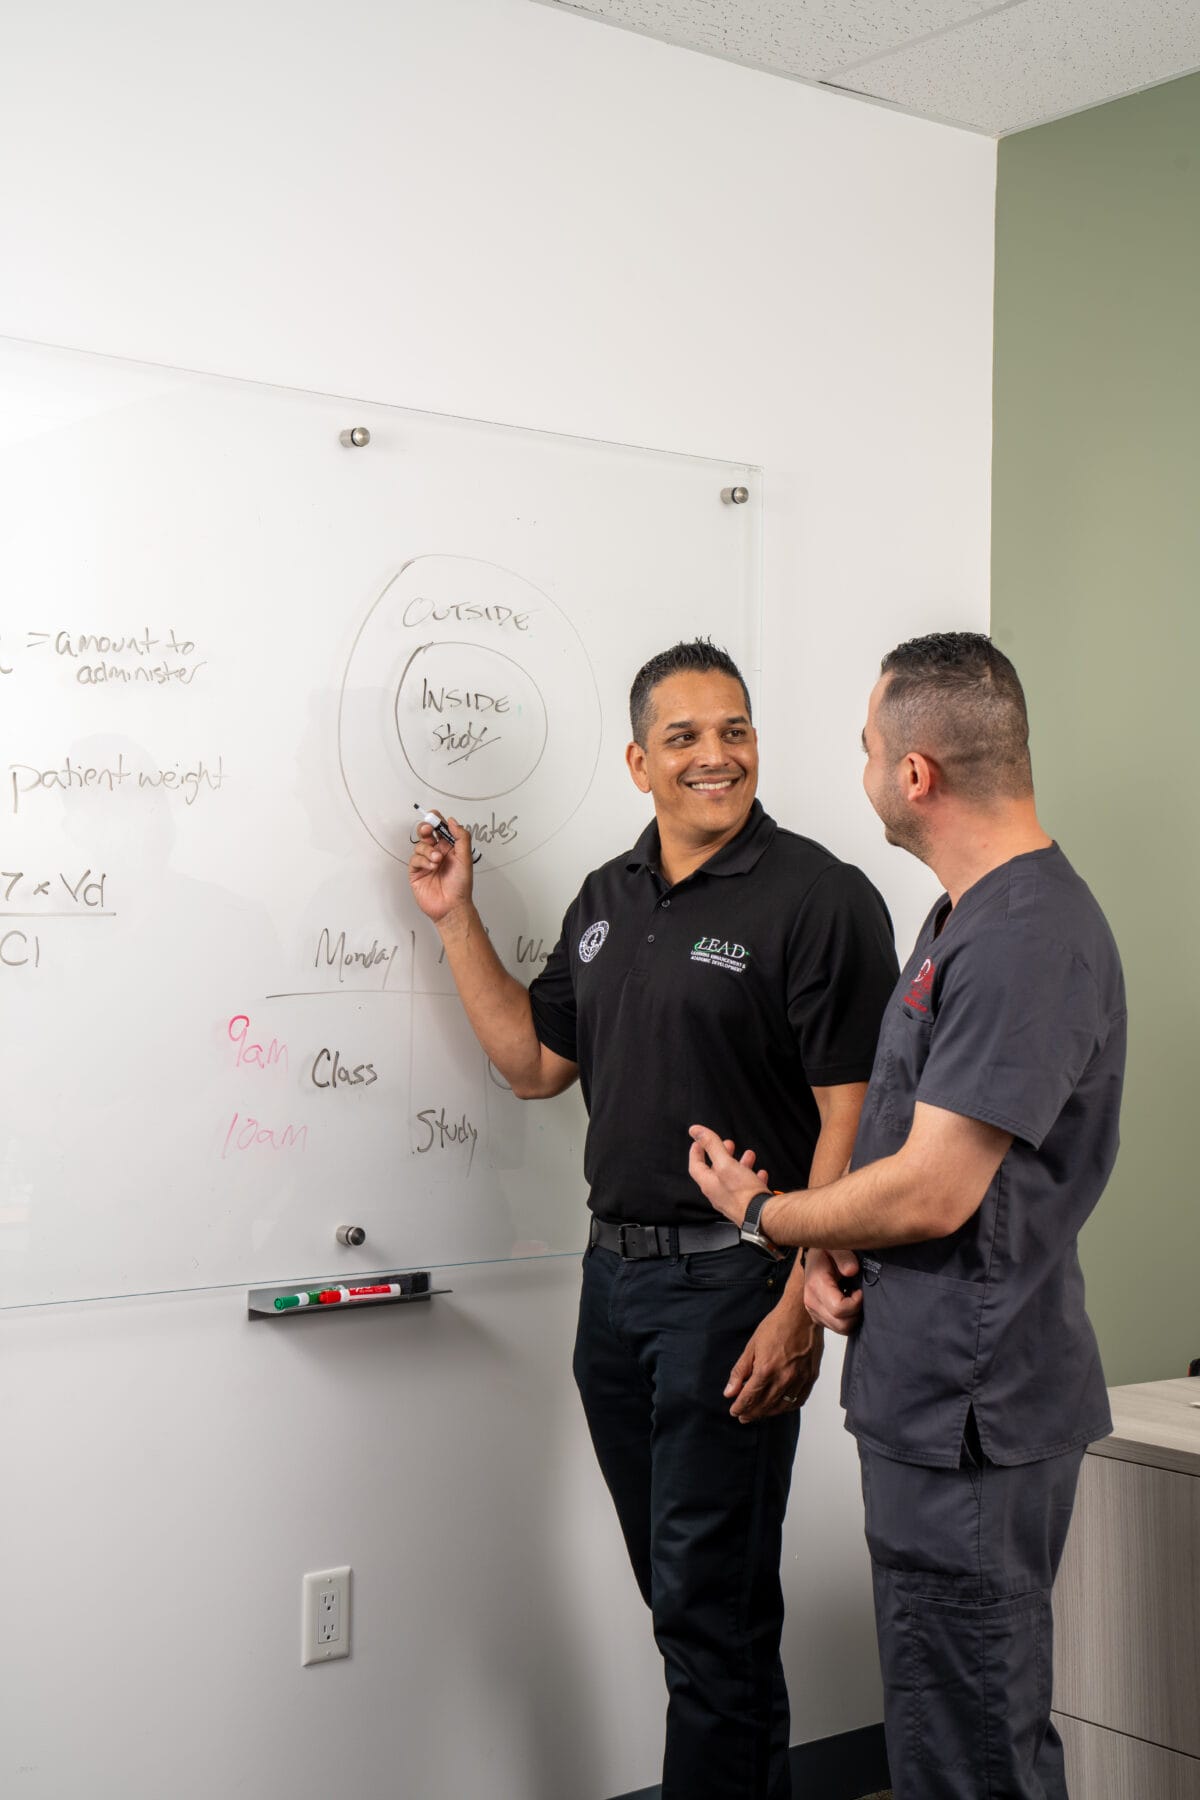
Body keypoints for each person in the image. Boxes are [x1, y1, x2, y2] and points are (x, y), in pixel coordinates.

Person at [409, 639, 898, 1800]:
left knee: (710, 1622)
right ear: (640, 761)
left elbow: (854, 1122)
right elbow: (534, 1064)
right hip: (614, 1294)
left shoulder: (820, 898)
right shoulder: (605, 900)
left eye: (734, 730)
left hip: (734, 1289)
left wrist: (794, 1307)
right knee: (688, 1607)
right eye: (684, 737)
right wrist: (452, 916)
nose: (714, 756)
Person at [689, 631, 1126, 1800]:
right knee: (945, 1740)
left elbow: (938, 1186)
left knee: (975, 1754)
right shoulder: (960, 920)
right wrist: (837, 1245)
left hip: (972, 1411)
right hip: (929, 1395)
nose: (867, 768)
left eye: (872, 747)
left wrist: (771, 1215)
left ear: (917, 773)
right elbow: (912, 1153)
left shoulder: (1028, 935)